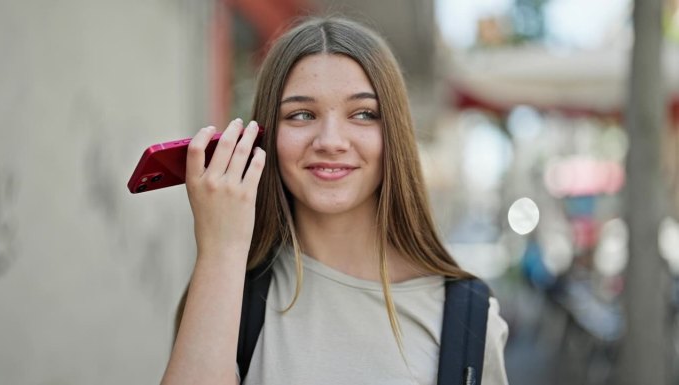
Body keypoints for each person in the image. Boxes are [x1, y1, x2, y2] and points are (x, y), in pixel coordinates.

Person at [161, 16, 509, 385]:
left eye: (363, 114)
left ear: (395, 133)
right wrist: (220, 251)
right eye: (301, 115)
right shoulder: (231, 289)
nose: (330, 140)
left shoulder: (469, 316)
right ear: (266, 136)